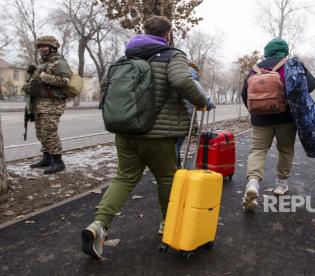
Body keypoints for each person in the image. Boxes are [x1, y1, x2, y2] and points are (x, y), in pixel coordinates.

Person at [81, 16, 211, 259]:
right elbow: (182, 80)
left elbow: (106, 87)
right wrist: (202, 101)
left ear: (144, 32)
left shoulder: (126, 58)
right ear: (168, 33)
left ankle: (99, 225)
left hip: (126, 132)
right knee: (166, 179)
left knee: (124, 178)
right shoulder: (173, 55)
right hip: (159, 135)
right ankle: (168, 224)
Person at [241, 38, 315, 211]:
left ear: (267, 51)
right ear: (285, 51)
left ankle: (253, 182)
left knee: (258, 150)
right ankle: (281, 184)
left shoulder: (255, 69)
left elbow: (244, 94)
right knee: (286, 150)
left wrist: (256, 110)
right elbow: (311, 84)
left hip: (260, 119)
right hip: (286, 118)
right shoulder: (292, 65)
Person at [25, 36, 71, 174]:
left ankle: (58, 162)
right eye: (39, 47)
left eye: (44, 46)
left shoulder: (59, 62)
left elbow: (65, 81)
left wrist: (43, 76)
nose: (41, 49)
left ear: (52, 47)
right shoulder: (42, 63)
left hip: (52, 104)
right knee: (41, 133)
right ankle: (47, 158)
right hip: (39, 103)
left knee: (49, 133)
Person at [175, 62, 215, 168]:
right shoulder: (192, 80)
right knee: (176, 146)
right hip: (182, 120)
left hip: (165, 118)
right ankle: (173, 174)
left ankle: (175, 170)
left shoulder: (173, 76)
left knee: (171, 146)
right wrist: (212, 105)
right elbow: (205, 100)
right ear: (195, 71)